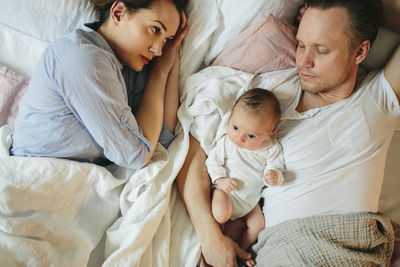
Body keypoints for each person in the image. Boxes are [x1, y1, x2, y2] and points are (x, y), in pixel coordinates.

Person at [176, 0, 400, 266]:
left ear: (360, 51)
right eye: (302, 43)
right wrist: (210, 237)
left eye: (321, 49)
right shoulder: (267, 95)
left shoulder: (377, 99)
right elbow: (192, 153)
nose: (303, 61)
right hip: (284, 249)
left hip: (350, 247)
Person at [10, 0, 189, 169]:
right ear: (118, 13)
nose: (158, 50)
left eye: (166, 40)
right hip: (34, 175)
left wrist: (164, 70)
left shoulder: (130, 67)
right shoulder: (83, 58)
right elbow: (136, 155)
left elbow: (161, 142)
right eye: (155, 30)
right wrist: (158, 74)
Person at [205, 88, 284, 267]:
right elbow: (213, 163)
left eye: (250, 136)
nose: (239, 138)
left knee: (258, 224)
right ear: (231, 117)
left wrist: (275, 176)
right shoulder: (227, 142)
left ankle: (240, 249)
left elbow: (276, 166)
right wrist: (221, 181)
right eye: (235, 127)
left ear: (269, 133)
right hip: (227, 193)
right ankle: (221, 243)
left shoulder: (272, 148)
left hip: (250, 202)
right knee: (221, 213)